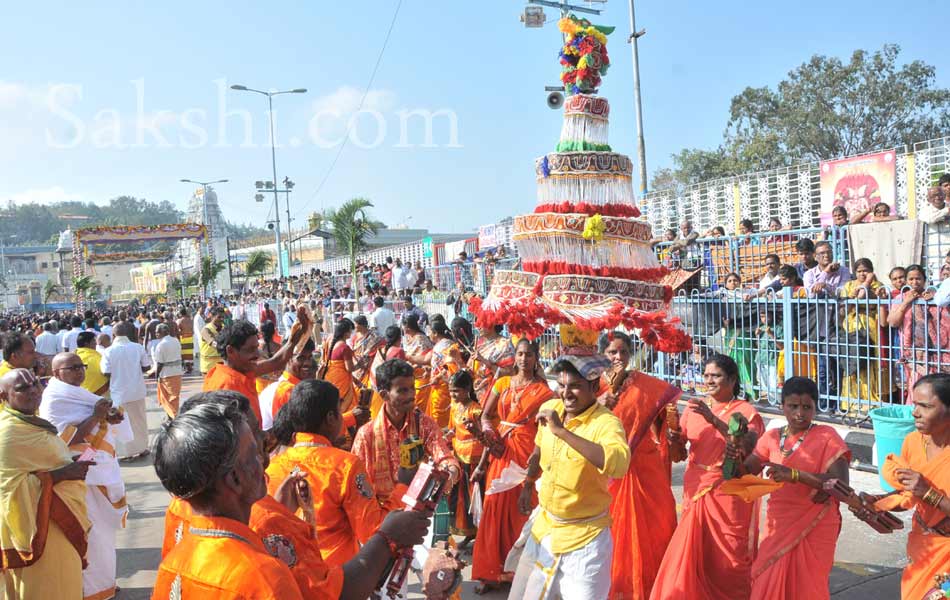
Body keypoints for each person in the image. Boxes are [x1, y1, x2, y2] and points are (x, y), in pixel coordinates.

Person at [159, 390, 431, 600]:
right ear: (235, 478)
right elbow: (334, 588)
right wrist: (389, 533)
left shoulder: (173, 563)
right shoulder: (264, 576)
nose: (266, 450)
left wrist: (280, 510)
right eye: (254, 449)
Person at [509, 354, 630, 599]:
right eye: (562, 386)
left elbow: (618, 464)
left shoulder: (607, 423)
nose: (566, 393)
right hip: (544, 529)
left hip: (585, 540)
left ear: (594, 387)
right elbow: (539, 448)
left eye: (575, 386)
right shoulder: (551, 409)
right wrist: (528, 484)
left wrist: (563, 432)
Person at [651, 354, 764, 600]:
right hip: (696, 485)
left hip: (728, 490)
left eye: (716, 376)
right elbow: (679, 455)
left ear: (732, 379)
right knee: (693, 550)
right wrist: (673, 439)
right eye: (706, 375)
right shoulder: (694, 408)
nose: (709, 381)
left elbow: (748, 447)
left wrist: (713, 420)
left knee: (728, 554)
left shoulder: (746, 411)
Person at [732, 377, 850, 599]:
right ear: (782, 406)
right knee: (766, 577)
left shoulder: (827, 436)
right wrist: (735, 454)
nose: (800, 413)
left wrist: (795, 475)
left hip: (816, 522)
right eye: (793, 406)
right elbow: (744, 473)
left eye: (807, 407)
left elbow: (841, 484)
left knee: (808, 586)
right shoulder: (772, 437)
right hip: (779, 523)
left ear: (816, 407)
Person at [266, 379, 405, 567]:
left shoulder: (273, 466)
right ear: (331, 418)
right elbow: (372, 531)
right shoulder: (345, 465)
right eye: (340, 413)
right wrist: (402, 487)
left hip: (290, 577)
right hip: (336, 577)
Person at [598, 332, 681, 600]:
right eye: (612, 352)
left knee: (656, 524)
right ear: (603, 355)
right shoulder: (593, 387)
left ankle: (653, 584)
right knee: (613, 530)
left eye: (623, 352)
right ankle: (616, 585)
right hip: (609, 466)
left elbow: (662, 420)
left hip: (644, 466)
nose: (618, 357)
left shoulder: (647, 385)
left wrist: (672, 425)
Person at [40, 352, 129, 600]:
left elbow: (100, 421)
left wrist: (110, 417)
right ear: (57, 374)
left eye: (81, 366)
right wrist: (96, 417)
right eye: (72, 368)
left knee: (103, 535)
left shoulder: (80, 395)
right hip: (75, 476)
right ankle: (89, 590)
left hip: (97, 469)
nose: (80, 371)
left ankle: (105, 583)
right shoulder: (54, 399)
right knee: (89, 533)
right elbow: (62, 441)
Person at [0, 368, 94, 598]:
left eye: (35, 383)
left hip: (59, 521)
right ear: (3, 397)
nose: (33, 390)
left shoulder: (32, 421)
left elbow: (41, 462)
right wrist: (60, 474)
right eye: (22, 388)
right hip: (39, 530)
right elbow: (8, 489)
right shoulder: (8, 432)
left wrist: (66, 464)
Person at [470, 339, 553, 593]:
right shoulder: (502, 383)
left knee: (522, 511)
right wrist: (488, 433)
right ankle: (489, 572)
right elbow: (485, 415)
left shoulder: (545, 391)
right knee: (495, 508)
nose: (524, 359)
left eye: (529, 354)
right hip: (501, 451)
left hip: (528, 455)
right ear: (514, 357)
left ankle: (518, 573)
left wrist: (537, 458)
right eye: (520, 354)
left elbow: (545, 429)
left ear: (536, 358)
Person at [863, 373, 950, 599]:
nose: (915, 412)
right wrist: (879, 502)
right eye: (914, 404)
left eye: (925, 406)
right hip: (922, 548)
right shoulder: (912, 441)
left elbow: (923, 492)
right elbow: (908, 496)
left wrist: (928, 493)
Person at [352, 359, 460, 506]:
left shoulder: (423, 424)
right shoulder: (366, 435)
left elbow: (444, 456)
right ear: (384, 395)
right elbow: (357, 484)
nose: (411, 395)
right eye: (403, 390)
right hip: (380, 515)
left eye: (412, 388)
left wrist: (450, 473)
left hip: (415, 510)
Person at [202, 317, 309, 426]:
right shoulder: (226, 386)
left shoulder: (241, 370)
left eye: (257, 348)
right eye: (250, 350)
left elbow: (276, 362)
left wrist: (295, 338)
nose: (257, 355)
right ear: (230, 351)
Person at [887, 264, 950, 403]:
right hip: (914, 352)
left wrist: (933, 300)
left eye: (918, 278)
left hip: (938, 351)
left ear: (924, 279)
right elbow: (893, 322)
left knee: (939, 386)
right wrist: (906, 302)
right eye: (911, 279)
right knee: (917, 385)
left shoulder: (933, 296)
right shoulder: (901, 298)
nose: (914, 282)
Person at [839, 258, 893, 412]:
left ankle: (872, 400)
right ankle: (853, 399)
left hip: (870, 325)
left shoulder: (879, 286)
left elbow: (864, 298)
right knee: (853, 361)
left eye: (866, 270)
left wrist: (867, 284)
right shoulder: (848, 285)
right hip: (851, 325)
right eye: (859, 271)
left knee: (870, 361)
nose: (862, 273)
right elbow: (844, 308)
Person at [101, 321, 152, 461]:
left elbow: (106, 372)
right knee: (140, 420)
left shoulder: (108, 351)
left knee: (122, 422)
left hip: (119, 393)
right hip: (137, 390)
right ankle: (142, 448)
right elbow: (146, 367)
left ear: (113, 334)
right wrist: (133, 370)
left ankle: (126, 453)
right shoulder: (138, 347)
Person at [445, 370, 484, 543]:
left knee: (473, 497)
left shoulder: (476, 411)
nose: (453, 394)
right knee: (458, 498)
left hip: (473, 459)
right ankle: (465, 531)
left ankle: (478, 531)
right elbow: (452, 429)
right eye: (451, 390)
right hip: (458, 457)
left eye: (457, 391)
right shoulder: (454, 406)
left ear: (467, 388)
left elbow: (484, 434)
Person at [318, 318, 366, 436]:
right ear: (346, 333)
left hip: (330, 378)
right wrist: (361, 364)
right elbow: (349, 369)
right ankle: (347, 433)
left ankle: (347, 432)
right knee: (345, 407)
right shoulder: (344, 347)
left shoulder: (329, 340)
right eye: (351, 331)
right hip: (341, 381)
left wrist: (356, 381)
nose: (352, 333)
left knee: (335, 406)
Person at [259, 339, 317, 431]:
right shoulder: (287, 390)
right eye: (301, 358)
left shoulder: (292, 386)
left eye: (310, 357)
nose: (308, 363)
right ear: (287, 359)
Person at [427, 318, 464, 428]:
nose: (428, 335)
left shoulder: (446, 346)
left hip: (443, 385)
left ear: (435, 333)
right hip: (440, 384)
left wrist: (437, 377)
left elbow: (449, 366)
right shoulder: (445, 344)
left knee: (440, 416)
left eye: (430, 332)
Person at [469, 325, 515, 403]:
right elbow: (470, 367)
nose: (478, 327)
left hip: (496, 394)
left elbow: (510, 373)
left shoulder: (504, 343)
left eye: (482, 324)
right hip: (478, 395)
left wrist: (485, 361)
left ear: (491, 324)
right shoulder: (479, 343)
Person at [401, 313, 434, 415]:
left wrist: (413, 365)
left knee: (419, 402)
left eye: (403, 326)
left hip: (421, 375)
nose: (402, 328)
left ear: (407, 327)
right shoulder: (407, 338)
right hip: (410, 375)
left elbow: (426, 359)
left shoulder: (421, 339)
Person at [149, 323, 183, 418]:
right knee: (174, 397)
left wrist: (156, 375)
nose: (156, 334)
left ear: (163, 332)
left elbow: (159, 363)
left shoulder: (161, 345)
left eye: (157, 332)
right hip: (177, 373)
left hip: (167, 375)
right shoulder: (176, 341)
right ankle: (171, 415)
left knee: (168, 398)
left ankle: (173, 416)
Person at [77, 330, 110, 397]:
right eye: (93, 341)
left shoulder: (73, 357)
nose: (96, 343)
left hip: (78, 395)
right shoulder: (98, 357)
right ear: (87, 344)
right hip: (99, 394)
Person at [198, 306, 226, 375]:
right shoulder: (206, 330)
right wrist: (222, 347)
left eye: (223, 317)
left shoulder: (224, 328)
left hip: (221, 366)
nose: (221, 319)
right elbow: (212, 343)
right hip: (208, 367)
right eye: (219, 317)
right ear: (212, 316)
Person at [176, 307, 194, 373]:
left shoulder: (179, 321)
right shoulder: (191, 320)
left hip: (184, 338)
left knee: (184, 354)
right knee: (189, 354)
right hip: (191, 338)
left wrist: (182, 333)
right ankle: (190, 367)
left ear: (180, 314)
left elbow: (177, 331)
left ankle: (188, 368)